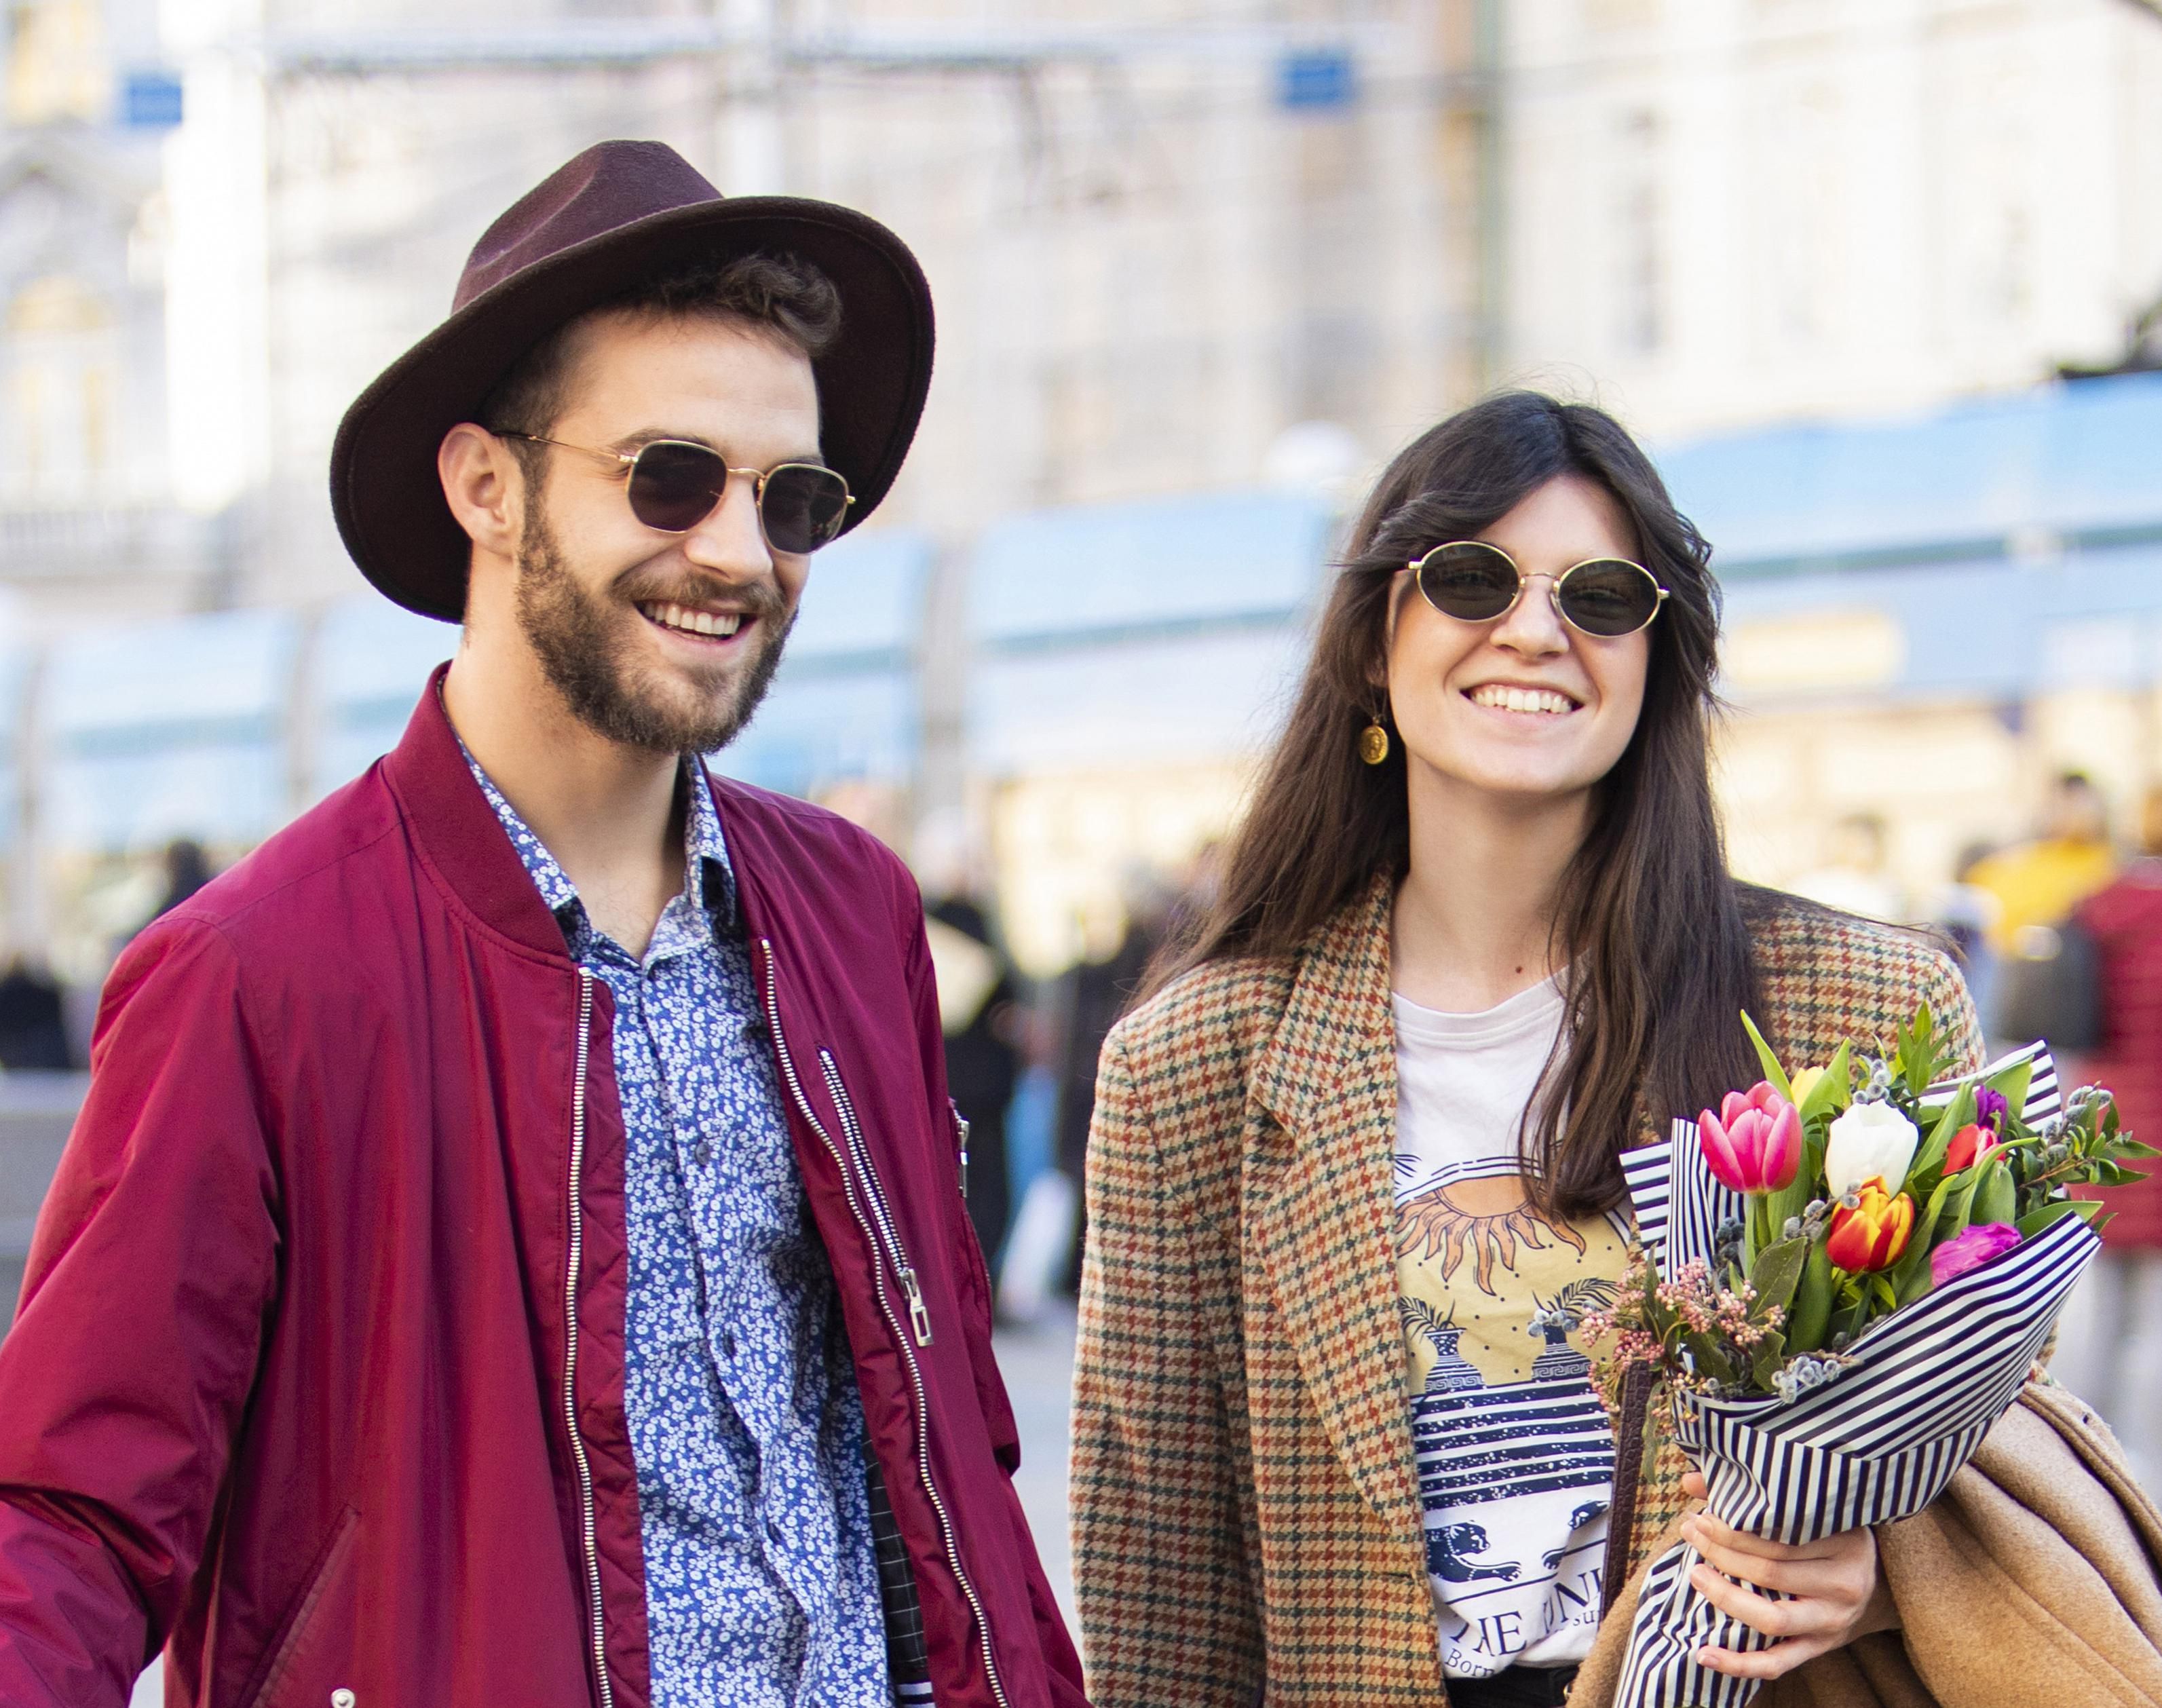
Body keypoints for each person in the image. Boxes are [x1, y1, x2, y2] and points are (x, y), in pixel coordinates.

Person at [0, 140, 1086, 1708]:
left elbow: (950, 1441)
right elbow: (70, 1517)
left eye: (793, 498)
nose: (736, 550)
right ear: (485, 485)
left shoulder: (857, 914)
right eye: (668, 476)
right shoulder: (254, 973)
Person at [1069, 394, 1986, 1707]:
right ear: (1373, 639)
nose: (1536, 627)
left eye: (1603, 595)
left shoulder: (1858, 1006)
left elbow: (1993, 1451)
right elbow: (1162, 1585)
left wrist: (1885, 1574)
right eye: (1471, 577)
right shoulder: (1196, 1065)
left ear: (1656, 657)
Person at [2049, 784, 2162, 1488]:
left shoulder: (2097, 907)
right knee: (2152, 1325)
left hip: (2106, 1128)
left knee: (2088, 1313)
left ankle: (2083, 1459)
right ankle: (2146, 1473)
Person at [1966, 770, 2118, 953]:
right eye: (2064, 804)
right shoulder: (2030, 856)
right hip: (2009, 950)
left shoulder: (2110, 863)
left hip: (2062, 954)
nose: (2072, 814)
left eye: (2079, 805)